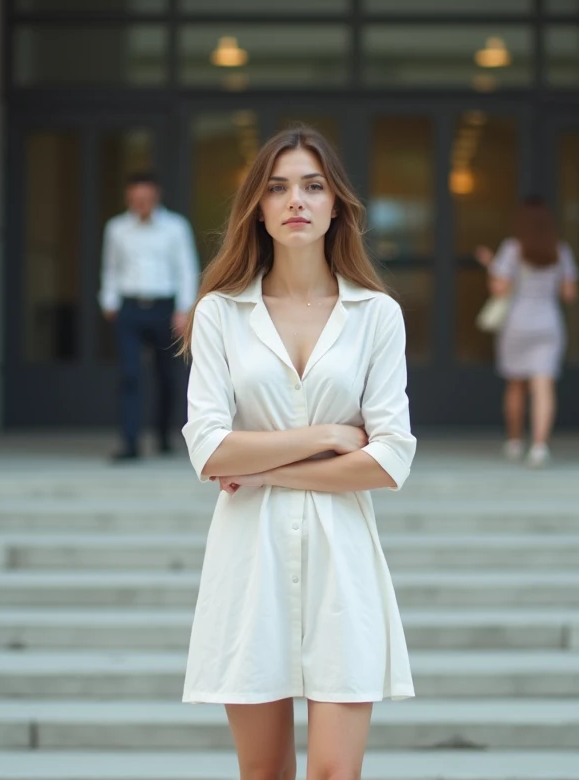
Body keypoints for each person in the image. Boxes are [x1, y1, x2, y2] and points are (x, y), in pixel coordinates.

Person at [179, 126, 416, 779]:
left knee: (335, 774)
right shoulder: (221, 314)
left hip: (344, 561)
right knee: (263, 775)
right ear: (257, 206)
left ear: (337, 203)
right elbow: (207, 447)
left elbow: (391, 459)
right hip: (247, 562)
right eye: (278, 187)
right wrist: (327, 437)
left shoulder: (376, 316)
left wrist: (259, 465)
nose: (296, 201)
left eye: (313, 186)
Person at [99, 172, 199, 462]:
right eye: (135, 199)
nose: (141, 204)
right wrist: (109, 300)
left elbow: (186, 268)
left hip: (165, 308)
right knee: (129, 375)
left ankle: (164, 436)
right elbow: (110, 267)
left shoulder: (175, 227)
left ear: (156, 196)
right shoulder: (116, 228)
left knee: (167, 376)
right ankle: (130, 443)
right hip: (128, 307)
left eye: (146, 198)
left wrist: (183, 309)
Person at [474, 196, 579, 468]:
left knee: (516, 385)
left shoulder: (511, 249)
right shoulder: (561, 250)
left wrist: (490, 267)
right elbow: (569, 294)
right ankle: (540, 447)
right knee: (543, 386)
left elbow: (499, 289)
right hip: (548, 323)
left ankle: (515, 441)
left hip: (517, 324)